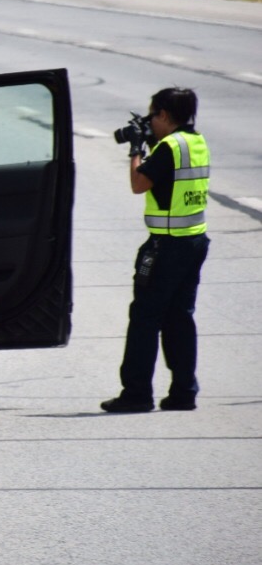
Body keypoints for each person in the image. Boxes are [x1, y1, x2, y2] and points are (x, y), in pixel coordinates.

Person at [101, 87, 211, 414]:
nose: (150, 121)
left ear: (163, 115)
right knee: (180, 317)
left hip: (166, 245)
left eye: (152, 115)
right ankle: (183, 391)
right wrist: (149, 144)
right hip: (194, 241)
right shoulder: (196, 142)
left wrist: (136, 148)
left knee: (145, 318)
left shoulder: (168, 147)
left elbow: (139, 184)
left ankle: (136, 394)